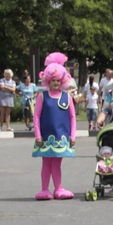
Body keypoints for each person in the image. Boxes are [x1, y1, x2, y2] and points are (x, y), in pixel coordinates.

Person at [32, 55, 76, 200]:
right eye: (53, 81)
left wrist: (73, 135)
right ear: (48, 81)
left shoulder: (67, 97)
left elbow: (72, 117)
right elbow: (36, 116)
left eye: (58, 80)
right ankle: (44, 189)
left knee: (56, 163)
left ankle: (58, 188)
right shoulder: (42, 97)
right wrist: (38, 135)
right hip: (45, 136)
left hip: (61, 136)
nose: (56, 83)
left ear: (62, 81)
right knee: (46, 163)